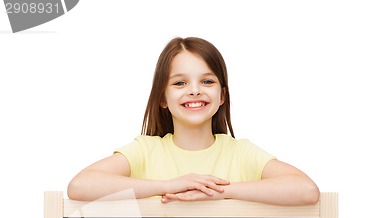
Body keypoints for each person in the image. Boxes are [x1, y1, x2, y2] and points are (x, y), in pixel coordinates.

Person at [67, 37, 319, 205]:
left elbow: (306, 190)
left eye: (207, 81)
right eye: (180, 83)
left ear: (222, 96)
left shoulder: (240, 153)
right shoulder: (145, 151)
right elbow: (80, 186)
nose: (195, 91)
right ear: (162, 98)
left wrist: (219, 192)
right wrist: (169, 186)